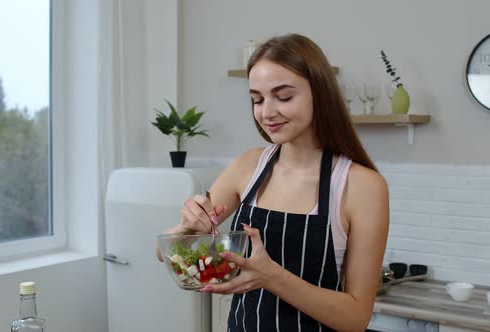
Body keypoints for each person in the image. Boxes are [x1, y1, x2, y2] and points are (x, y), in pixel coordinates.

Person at [158, 33, 389, 332]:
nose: (266, 112)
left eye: (284, 97)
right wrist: (186, 228)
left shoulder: (362, 186)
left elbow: (356, 318)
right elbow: (164, 252)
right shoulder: (248, 166)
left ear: (320, 94)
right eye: (257, 99)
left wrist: (272, 277)